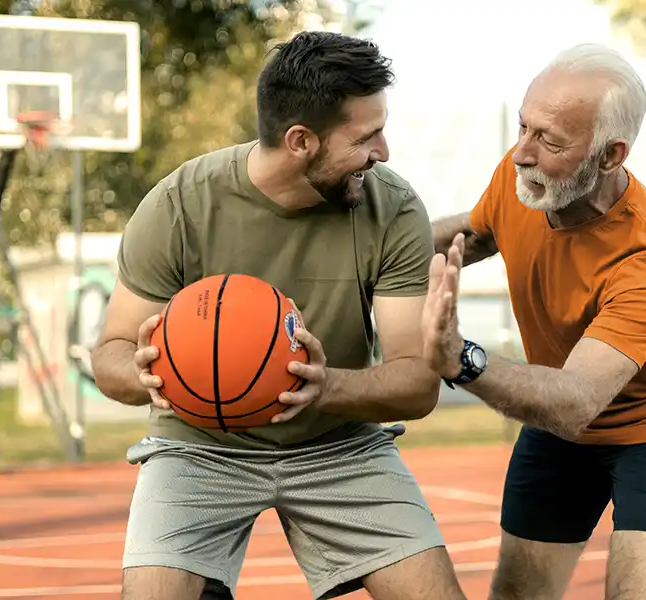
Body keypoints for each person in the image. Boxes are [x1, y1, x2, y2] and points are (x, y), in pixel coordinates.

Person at [91, 31, 466, 600]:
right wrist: (147, 373)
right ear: (300, 141)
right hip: (200, 447)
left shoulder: (393, 207)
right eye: (366, 137)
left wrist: (325, 387)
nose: (384, 152)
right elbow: (110, 356)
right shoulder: (179, 205)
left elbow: (417, 383)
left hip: (340, 445)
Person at [425, 43, 646, 600]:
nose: (521, 153)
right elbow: (477, 232)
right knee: (517, 595)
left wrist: (460, 357)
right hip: (557, 423)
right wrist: (371, 252)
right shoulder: (523, 177)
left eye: (550, 141)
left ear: (610, 155)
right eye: (523, 127)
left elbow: (576, 400)